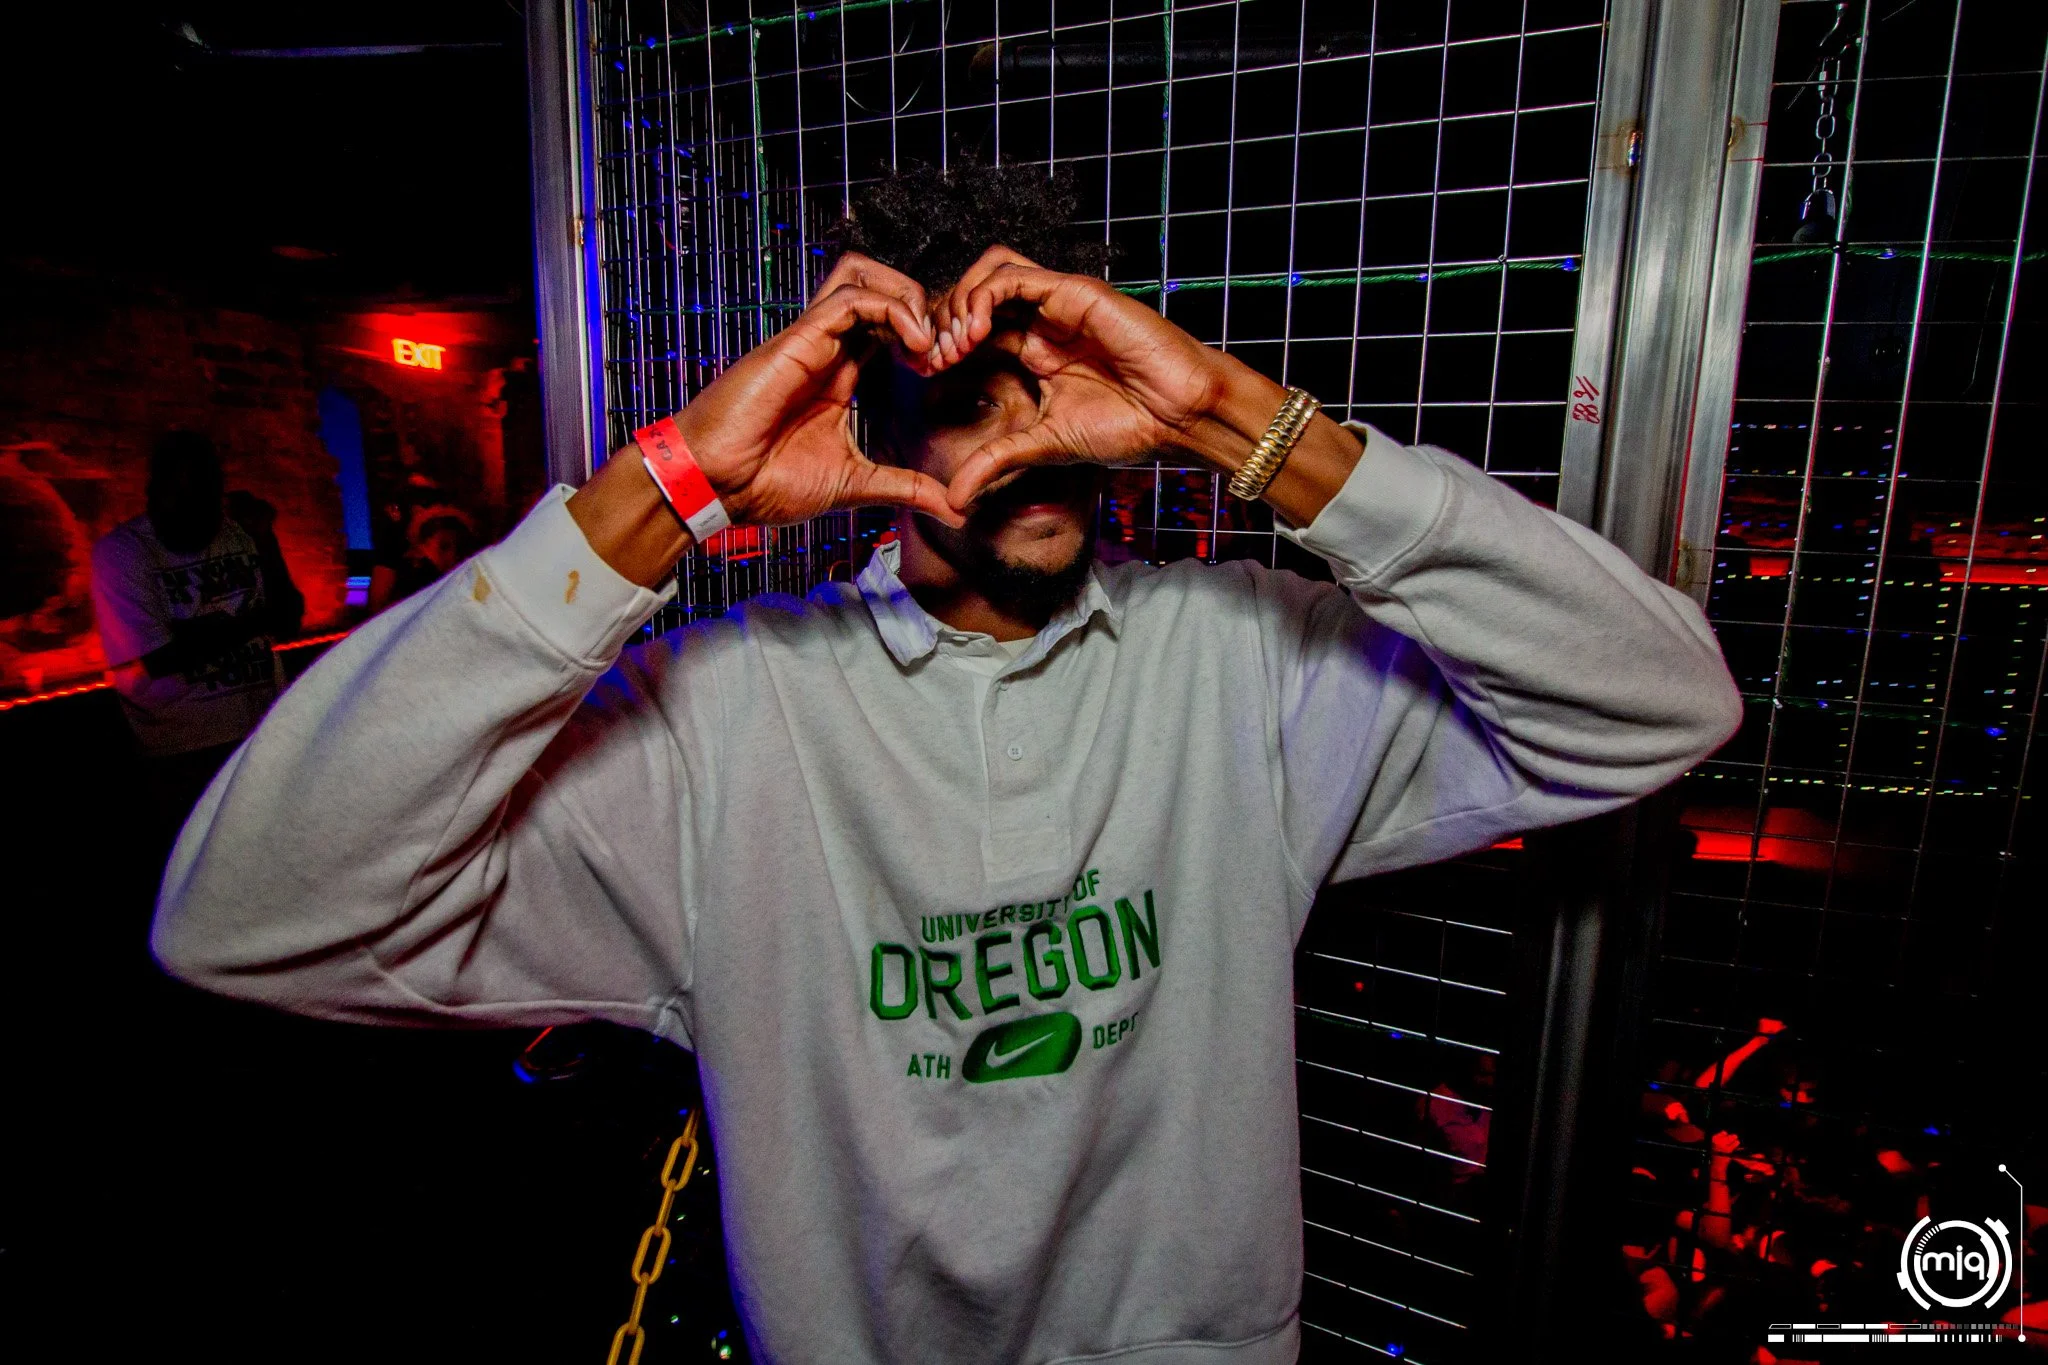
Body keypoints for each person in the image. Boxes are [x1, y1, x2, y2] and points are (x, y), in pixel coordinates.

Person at [152, 164, 1741, 1365]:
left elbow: (1660, 704)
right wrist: (667, 488)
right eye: (976, 401)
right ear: (882, 417)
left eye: (1067, 391)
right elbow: (249, 916)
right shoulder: (721, 720)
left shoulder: (1246, 664)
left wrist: (1246, 423)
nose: (1035, 440)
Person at [91, 431, 301, 839]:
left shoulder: (240, 532)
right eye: (182, 494)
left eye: (206, 493)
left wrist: (266, 539)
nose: (196, 507)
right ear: (154, 491)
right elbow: (162, 657)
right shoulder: (122, 551)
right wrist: (253, 621)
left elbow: (289, 619)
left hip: (263, 728)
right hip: (184, 750)